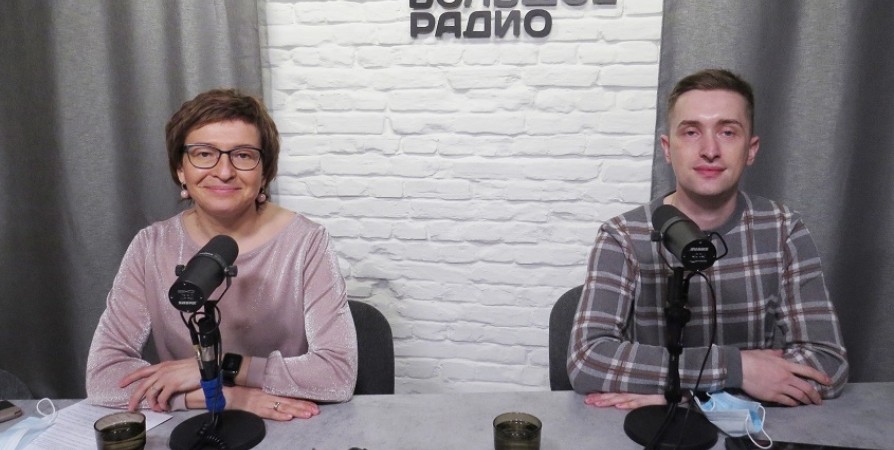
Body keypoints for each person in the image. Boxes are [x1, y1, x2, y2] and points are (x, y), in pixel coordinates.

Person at [567, 69, 848, 411]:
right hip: (652, 429)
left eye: (728, 132)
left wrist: (685, 395)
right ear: (667, 149)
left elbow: (828, 364)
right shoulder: (623, 236)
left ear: (751, 150)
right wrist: (737, 369)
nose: (710, 150)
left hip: (747, 430)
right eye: (691, 132)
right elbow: (587, 360)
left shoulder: (783, 229)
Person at [86, 88, 358, 421]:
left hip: (290, 421)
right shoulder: (150, 246)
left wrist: (224, 367)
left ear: (264, 173)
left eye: (243, 155)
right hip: (195, 424)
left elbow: (336, 376)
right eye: (204, 154)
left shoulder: (307, 242)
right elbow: (103, 378)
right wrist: (224, 396)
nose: (224, 171)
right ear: (180, 170)